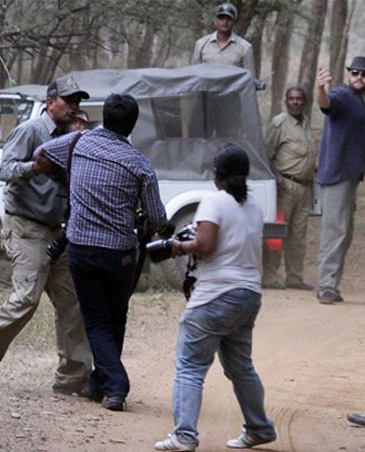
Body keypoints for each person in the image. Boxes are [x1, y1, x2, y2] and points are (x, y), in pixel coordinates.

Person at [0, 75, 93, 394]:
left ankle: (73, 377)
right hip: (26, 227)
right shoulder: (31, 130)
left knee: (73, 302)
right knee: (26, 297)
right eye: (68, 100)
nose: (74, 107)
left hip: (57, 232)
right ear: (50, 102)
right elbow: (5, 170)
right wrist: (34, 168)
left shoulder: (72, 137)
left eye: (77, 101)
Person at [39, 94, 168, 411]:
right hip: (120, 254)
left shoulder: (78, 143)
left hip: (82, 249)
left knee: (96, 321)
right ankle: (109, 385)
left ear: (104, 117)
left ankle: (109, 384)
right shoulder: (140, 164)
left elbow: (41, 154)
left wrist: (69, 182)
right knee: (115, 318)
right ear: (132, 125)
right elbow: (157, 218)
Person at [154, 145, 276, 451]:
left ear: (217, 174)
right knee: (241, 368)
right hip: (248, 295)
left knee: (190, 366)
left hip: (215, 295)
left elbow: (205, 245)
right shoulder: (254, 207)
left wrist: (177, 247)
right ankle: (259, 428)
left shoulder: (213, 201)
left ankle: (184, 435)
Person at [315, 56, 365, 304]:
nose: (359, 77)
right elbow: (326, 104)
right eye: (355, 73)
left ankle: (331, 285)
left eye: (363, 74)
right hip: (336, 174)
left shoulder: (360, 100)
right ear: (348, 74)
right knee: (334, 232)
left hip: (351, 175)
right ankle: (326, 285)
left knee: (345, 234)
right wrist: (320, 89)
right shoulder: (343, 96)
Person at [262, 86, 317, 290]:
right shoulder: (279, 124)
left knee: (298, 236)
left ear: (305, 102)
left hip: (305, 188)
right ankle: (270, 276)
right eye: (292, 98)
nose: (295, 102)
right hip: (285, 186)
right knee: (277, 234)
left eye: (299, 98)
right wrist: (276, 177)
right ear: (286, 101)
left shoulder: (306, 123)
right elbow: (265, 154)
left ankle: (295, 277)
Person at [191, 3, 255, 77]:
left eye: (229, 19)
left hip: (232, 85)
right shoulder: (201, 44)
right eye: (221, 18)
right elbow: (193, 75)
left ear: (234, 22)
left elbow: (250, 78)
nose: (225, 22)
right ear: (215, 21)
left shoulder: (245, 48)